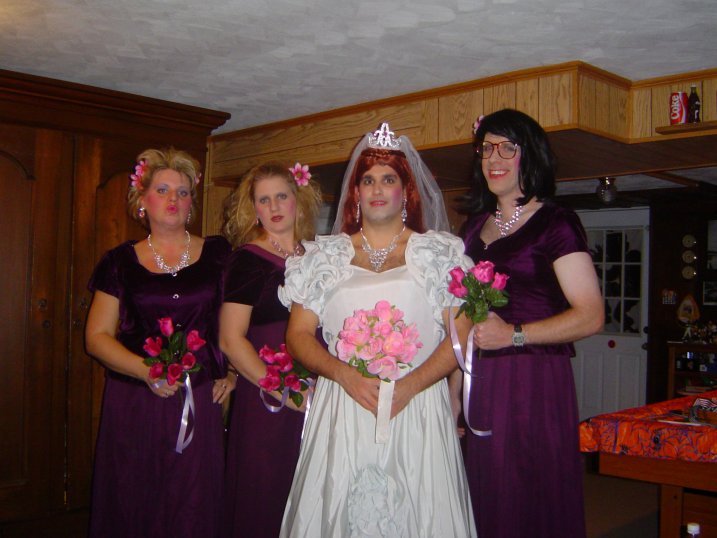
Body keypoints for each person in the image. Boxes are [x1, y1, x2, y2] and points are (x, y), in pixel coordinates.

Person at [278, 123, 477, 537]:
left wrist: (411, 386)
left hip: (416, 404)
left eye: (388, 179)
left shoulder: (438, 253)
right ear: (356, 192)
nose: (377, 189)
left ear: (406, 191)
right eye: (367, 180)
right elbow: (297, 336)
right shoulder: (324, 257)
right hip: (344, 402)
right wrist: (344, 374)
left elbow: (460, 335)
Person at [458, 109, 604, 538]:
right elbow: (463, 317)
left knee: (529, 490)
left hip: (534, 379)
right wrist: (452, 396)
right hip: (480, 378)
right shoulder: (471, 229)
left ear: (530, 155)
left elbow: (591, 315)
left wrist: (513, 335)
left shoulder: (556, 222)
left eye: (507, 148)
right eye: (487, 148)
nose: (494, 158)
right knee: (484, 489)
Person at [85, 148, 233, 538]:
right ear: (142, 200)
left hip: (198, 397)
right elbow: (96, 337)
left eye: (183, 192)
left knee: (194, 500)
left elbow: (236, 325)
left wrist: (233, 373)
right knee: (135, 496)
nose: (173, 200)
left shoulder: (219, 255)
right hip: (135, 400)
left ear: (191, 203)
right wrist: (146, 370)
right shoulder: (119, 262)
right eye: (163, 190)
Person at [219, 161, 322, 538]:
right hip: (268, 399)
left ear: (298, 199)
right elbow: (230, 340)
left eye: (281, 196)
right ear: (254, 209)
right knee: (265, 496)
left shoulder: (319, 255)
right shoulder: (246, 260)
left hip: (319, 391)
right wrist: (285, 391)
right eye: (264, 200)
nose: (274, 206)